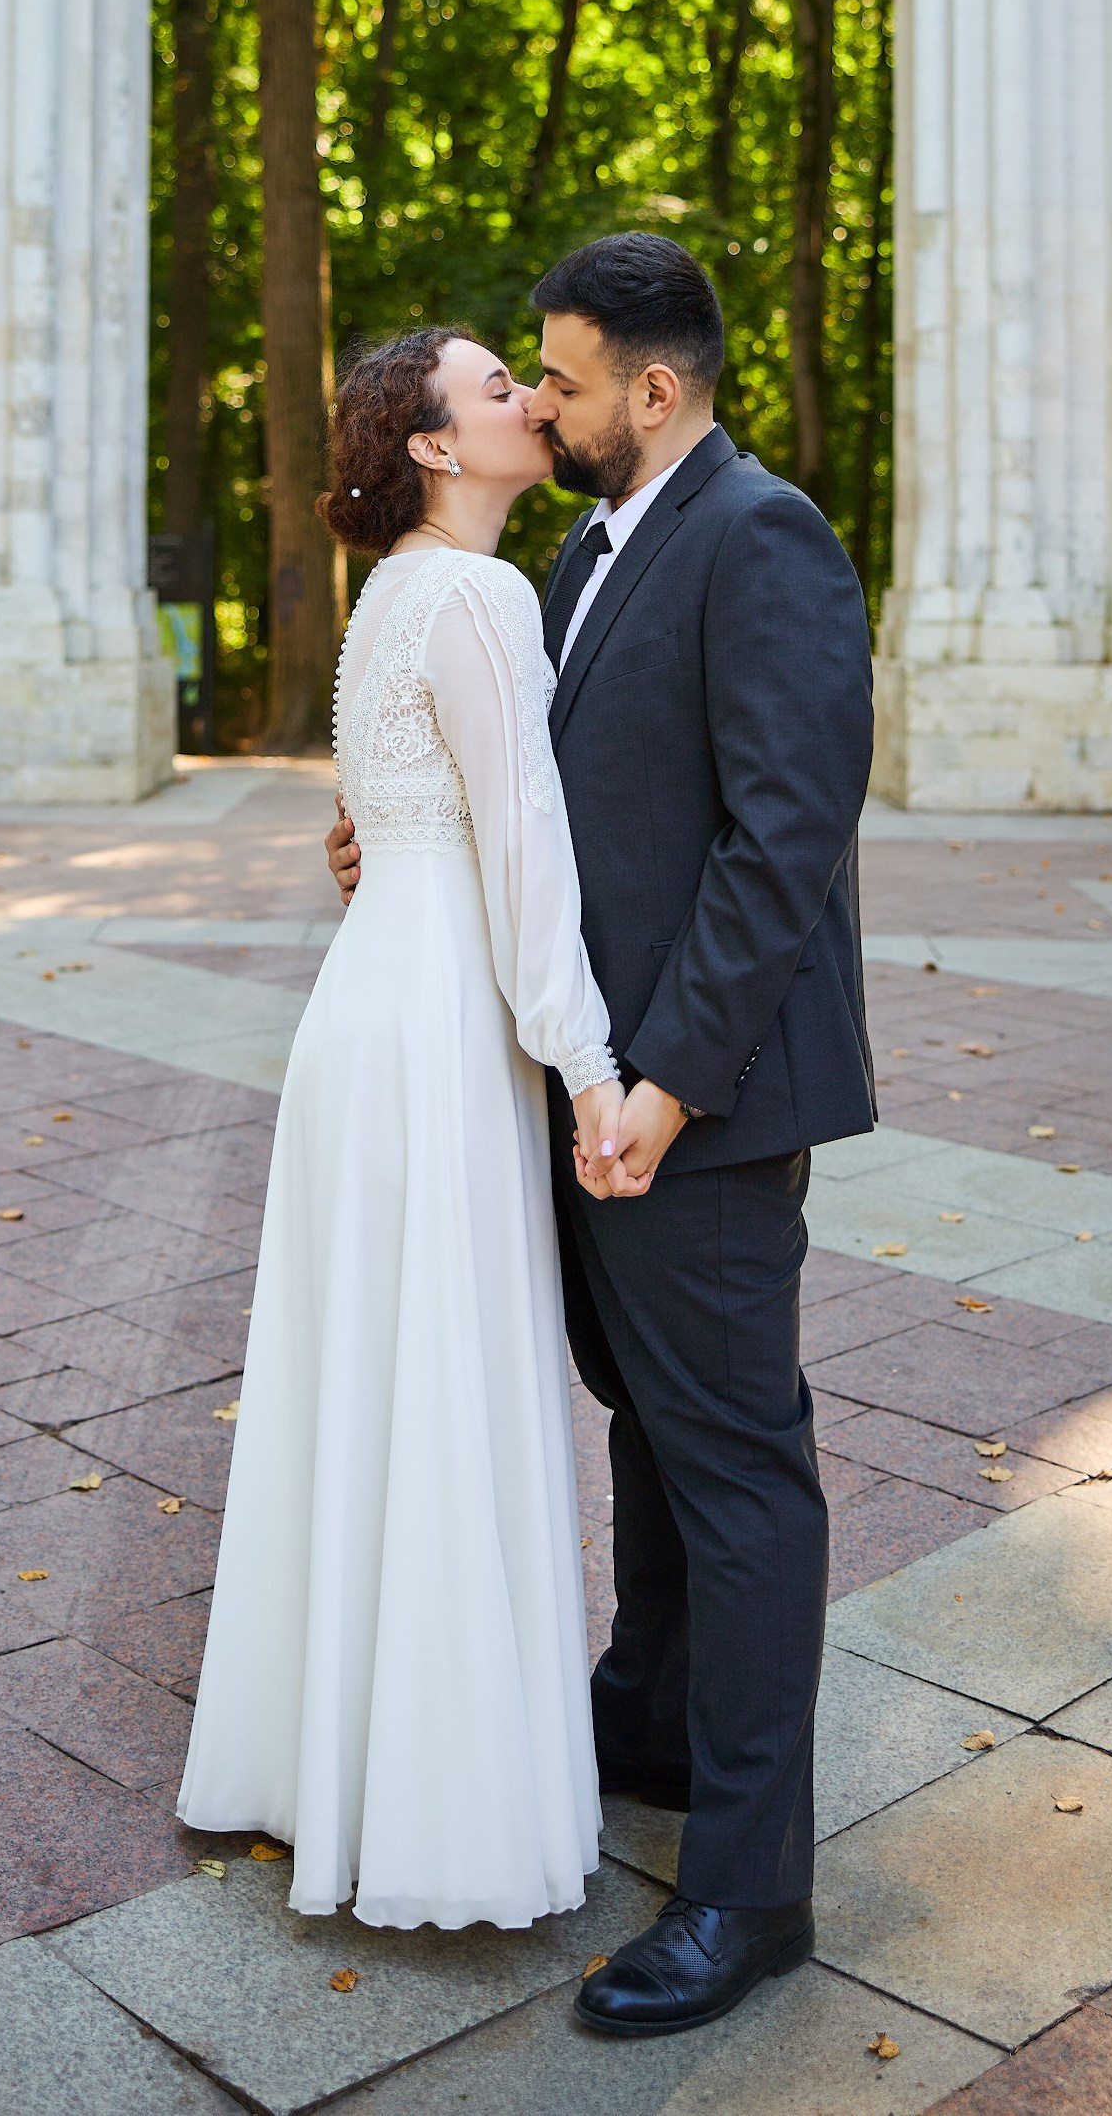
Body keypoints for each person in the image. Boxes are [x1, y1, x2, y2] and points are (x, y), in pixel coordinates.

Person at [327, 233, 875, 2038]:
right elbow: (540, 800)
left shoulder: (763, 536)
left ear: (653, 387)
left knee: (740, 1472)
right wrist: (398, 836)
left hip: (691, 1109)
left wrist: (665, 1086)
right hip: (587, 1093)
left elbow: (783, 842)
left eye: (560, 380)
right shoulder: (580, 551)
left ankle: (750, 1888)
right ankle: (645, 1717)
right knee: (647, 1420)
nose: (542, 405)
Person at [177, 328, 627, 1932]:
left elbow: (389, 820)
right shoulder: (481, 595)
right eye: (497, 388)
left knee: (364, 1379)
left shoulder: (387, 600)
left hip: (363, 1009)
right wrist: (587, 1063)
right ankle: (446, 1805)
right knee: (438, 1374)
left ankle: (333, 1766)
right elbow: (522, 846)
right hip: (441, 1020)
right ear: (434, 446)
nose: (531, 401)